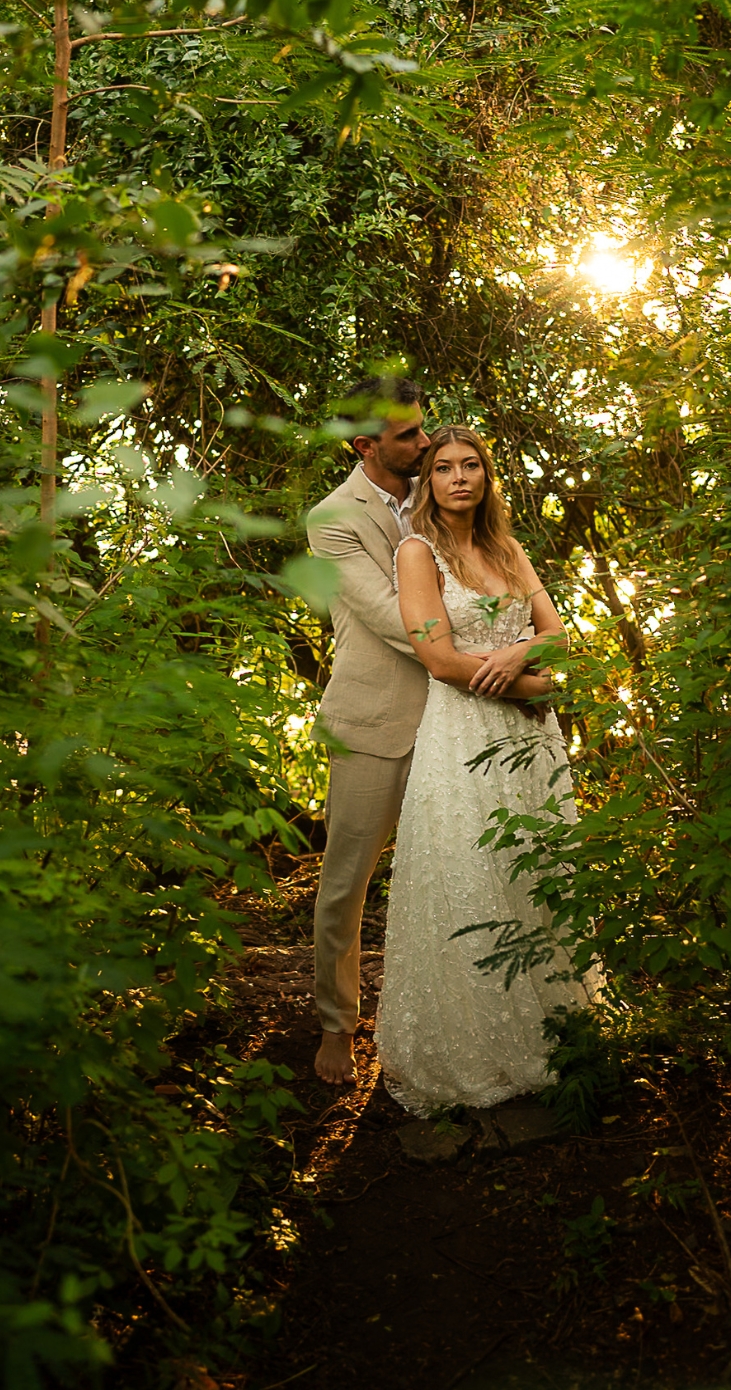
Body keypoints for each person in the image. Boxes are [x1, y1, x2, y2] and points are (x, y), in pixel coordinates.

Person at [375, 424, 598, 1115]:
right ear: (428, 481)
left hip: (532, 741)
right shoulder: (416, 552)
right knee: (470, 873)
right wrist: (526, 680)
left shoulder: (506, 547)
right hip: (465, 730)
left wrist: (519, 653)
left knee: (536, 867)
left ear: (486, 476)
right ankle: (469, 1047)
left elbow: (558, 634)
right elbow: (438, 658)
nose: (459, 478)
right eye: (443, 468)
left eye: (471, 465)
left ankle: (556, 1029)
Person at [305, 376, 432, 1087]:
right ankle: (335, 1025)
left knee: (447, 875)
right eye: (408, 435)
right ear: (364, 446)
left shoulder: (445, 488)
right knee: (345, 885)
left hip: (453, 718)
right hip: (370, 720)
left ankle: (433, 1018)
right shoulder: (331, 518)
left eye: (423, 428)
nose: (424, 442)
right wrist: (487, 661)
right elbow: (389, 617)